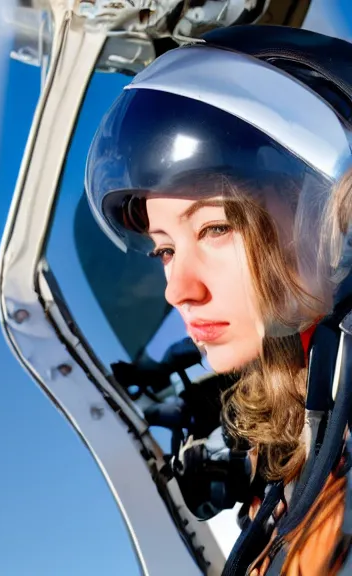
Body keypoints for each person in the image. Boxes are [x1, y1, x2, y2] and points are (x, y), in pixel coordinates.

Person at [84, 25, 352, 575]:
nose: (178, 290)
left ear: (330, 217)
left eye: (215, 228)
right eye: (163, 250)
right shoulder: (299, 456)